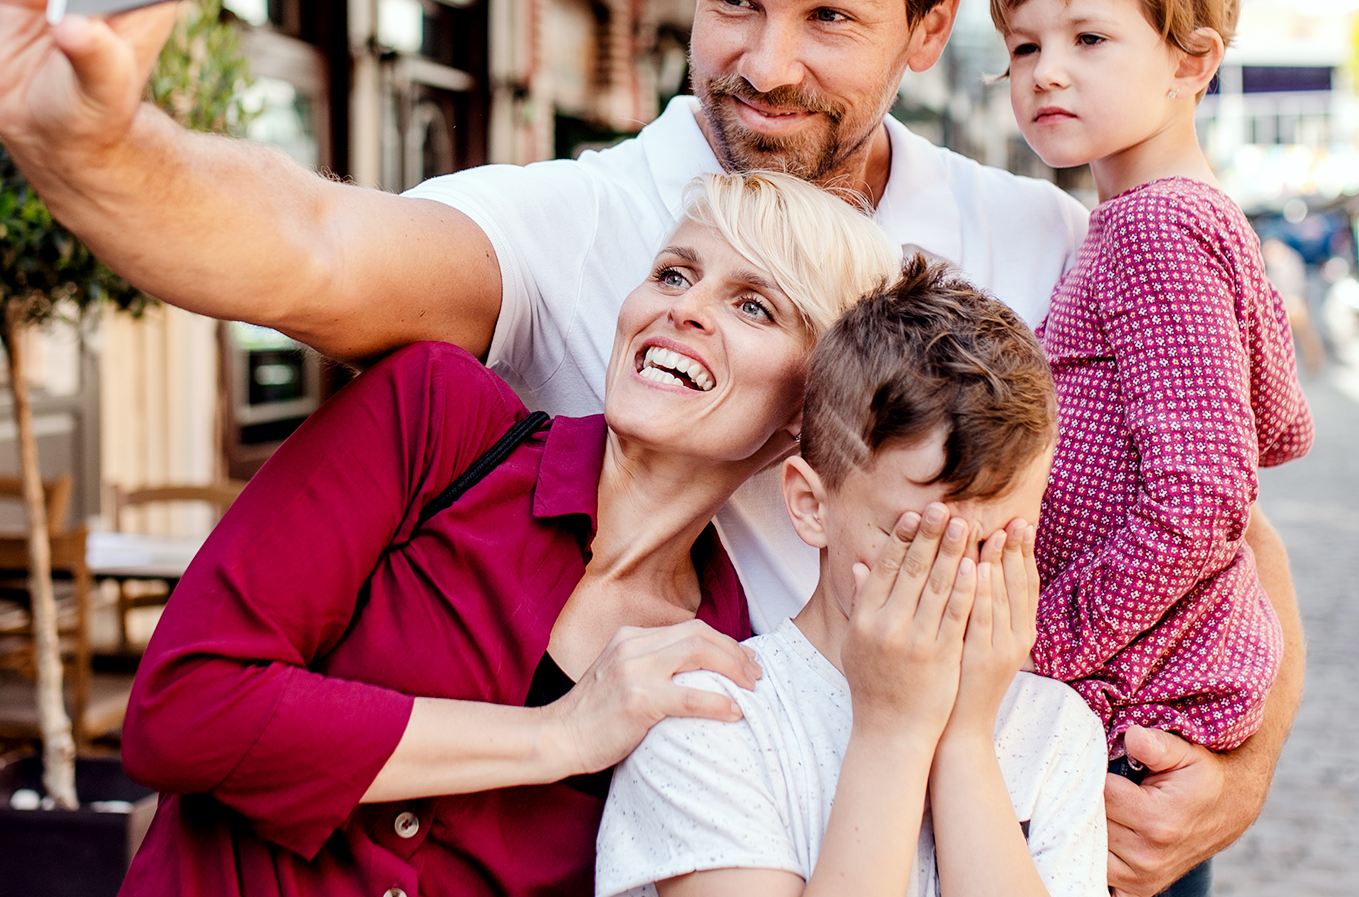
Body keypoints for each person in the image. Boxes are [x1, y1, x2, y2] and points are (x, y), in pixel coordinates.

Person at [0, 0, 1303, 892]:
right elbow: (313, 245)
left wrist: (1244, 761)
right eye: (734, 1)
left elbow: (1220, 515)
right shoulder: (591, 215)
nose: (766, 62)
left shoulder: (1038, 239)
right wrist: (91, 141)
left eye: (829, 14)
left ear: (932, 24)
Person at [118, 172, 900, 897]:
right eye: (673, 273)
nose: (686, 309)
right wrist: (557, 737)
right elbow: (181, 712)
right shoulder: (437, 417)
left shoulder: (720, 667)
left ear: (808, 408)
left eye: (754, 306)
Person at [991, 0, 1316, 897]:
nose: (1046, 69)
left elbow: (1204, 495)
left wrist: (1040, 646)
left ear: (1191, 60)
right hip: (1140, 702)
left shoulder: (1149, 230)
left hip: (1119, 709)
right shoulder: (1178, 218)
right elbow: (1275, 425)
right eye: (1020, 44)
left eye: (1089, 36)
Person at [597, 259, 1105, 897]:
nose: (958, 579)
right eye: (918, 540)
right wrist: (893, 729)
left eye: (999, 544)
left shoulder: (1055, 729)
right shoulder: (707, 718)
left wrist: (966, 741)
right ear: (813, 506)